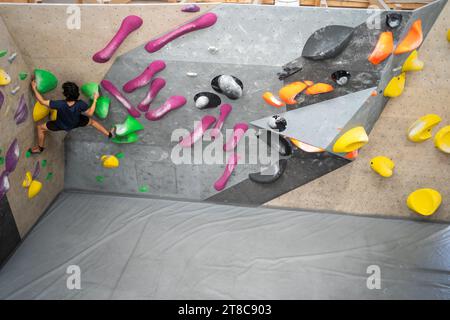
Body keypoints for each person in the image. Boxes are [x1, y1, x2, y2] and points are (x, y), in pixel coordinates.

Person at [29, 80, 115, 154]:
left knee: (40, 128)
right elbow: (90, 113)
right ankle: (109, 134)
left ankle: (40, 149)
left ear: (65, 95)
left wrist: (34, 88)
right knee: (93, 122)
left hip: (60, 125)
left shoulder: (59, 104)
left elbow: (42, 101)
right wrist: (95, 99)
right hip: (76, 122)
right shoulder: (80, 104)